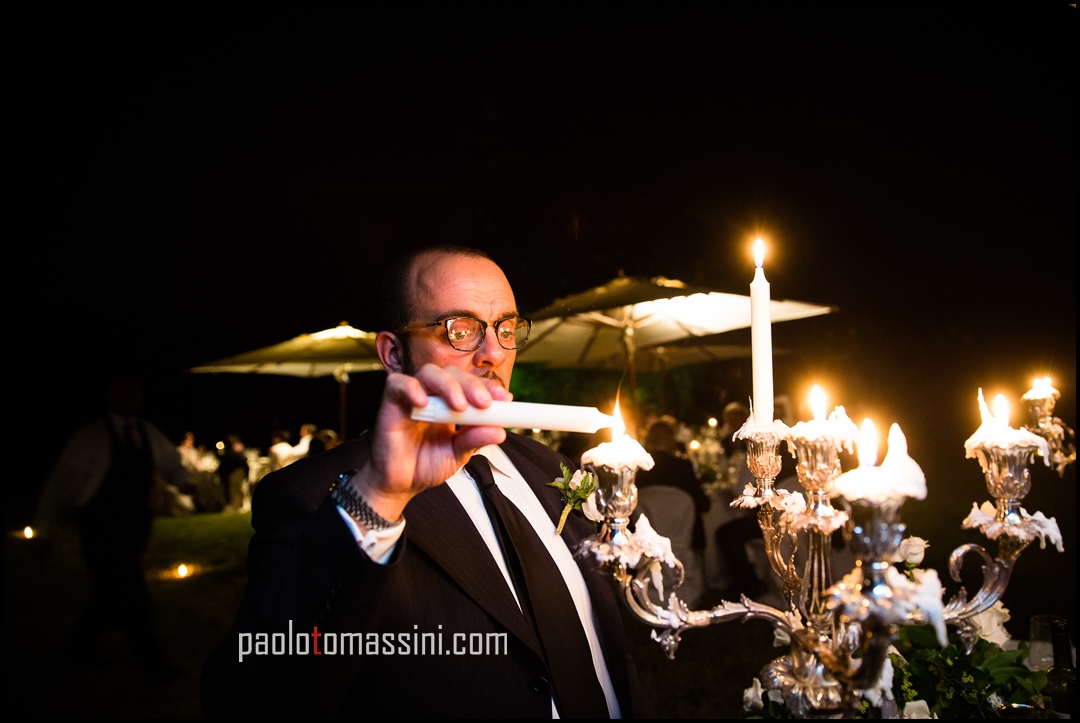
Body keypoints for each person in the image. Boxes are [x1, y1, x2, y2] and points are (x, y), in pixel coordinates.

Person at [201, 245, 654, 718]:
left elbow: (604, 648)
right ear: (394, 354)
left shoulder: (548, 467)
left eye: (505, 329)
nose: (493, 354)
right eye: (460, 330)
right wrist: (378, 495)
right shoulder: (314, 494)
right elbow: (252, 697)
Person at [33, 372, 188, 681]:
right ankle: (154, 665)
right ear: (109, 396)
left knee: (109, 595)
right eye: (123, 391)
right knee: (134, 595)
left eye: (135, 391)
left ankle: (78, 649)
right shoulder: (89, 438)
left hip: (135, 529)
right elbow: (58, 484)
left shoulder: (147, 433)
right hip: (100, 528)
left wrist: (184, 481)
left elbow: (171, 462)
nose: (130, 397)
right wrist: (42, 529)